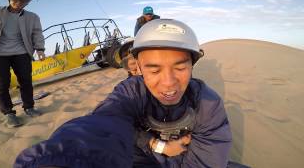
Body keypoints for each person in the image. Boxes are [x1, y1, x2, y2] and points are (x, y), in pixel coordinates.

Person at [14, 19, 232, 167]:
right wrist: (58, 161)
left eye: (180, 67)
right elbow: (102, 126)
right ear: (137, 68)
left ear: (193, 65)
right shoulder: (130, 92)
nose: (168, 83)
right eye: (154, 69)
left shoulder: (207, 104)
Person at [0, 0, 45, 128]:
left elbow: (37, 33)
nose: (19, 2)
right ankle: (9, 114)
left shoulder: (33, 17)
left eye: (23, 0)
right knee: (0, 85)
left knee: (26, 81)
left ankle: (29, 107)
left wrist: (40, 49)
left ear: (28, 2)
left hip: (21, 52)